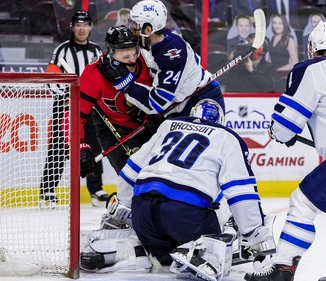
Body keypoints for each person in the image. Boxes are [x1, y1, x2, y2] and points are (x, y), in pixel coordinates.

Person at [110, 99, 275, 279]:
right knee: (226, 225)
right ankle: (201, 253)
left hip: (143, 212)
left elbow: (129, 171)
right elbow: (241, 193)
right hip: (184, 216)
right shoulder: (228, 137)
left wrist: (125, 207)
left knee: (164, 257)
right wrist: (253, 234)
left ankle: (142, 251)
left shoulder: (169, 125)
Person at [245, 21, 326, 281]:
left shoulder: (313, 69)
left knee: (303, 203)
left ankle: (281, 271)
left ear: (313, 47)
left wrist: (281, 133)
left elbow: (285, 126)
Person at [98, 0, 225, 120]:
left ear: (148, 30)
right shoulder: (147, 41)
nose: (131, 28)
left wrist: (126, 84)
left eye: (135, 25)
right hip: (176, 105)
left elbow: (156, 102)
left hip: (200, 99)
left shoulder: (172, 54)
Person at [39, 11, 107, 208]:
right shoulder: (62, 50)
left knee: (94, 146)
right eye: (78, 25)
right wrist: (67, 94)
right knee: (59, 148)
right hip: (65, 105)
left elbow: (102, 79)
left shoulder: (96, 52)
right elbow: (52, 75)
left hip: (90, 107)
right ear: (72, 27)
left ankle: (96, 189)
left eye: (85, 25)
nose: (82, 28)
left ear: (90, 28)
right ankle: (48, 190)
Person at [67, 25, 153, 181]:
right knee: (131, 179)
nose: (132, 60)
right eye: (125, 57)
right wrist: (80, 147)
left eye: (134, 53)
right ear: (111, 53)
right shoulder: (94, 74)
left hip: (148, 123)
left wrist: (158, 115)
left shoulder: (147, 62)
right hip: (112, 127)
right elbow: (73, 116)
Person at [266, 13, 299, 91]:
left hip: (283, 76)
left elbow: (294, 62)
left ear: (284, 24)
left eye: (280, 23)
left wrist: (278, 70)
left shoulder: (289, 40)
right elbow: (270, 58)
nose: (277, 26)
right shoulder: (272, 38)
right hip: (271, 74)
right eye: (274, 23)